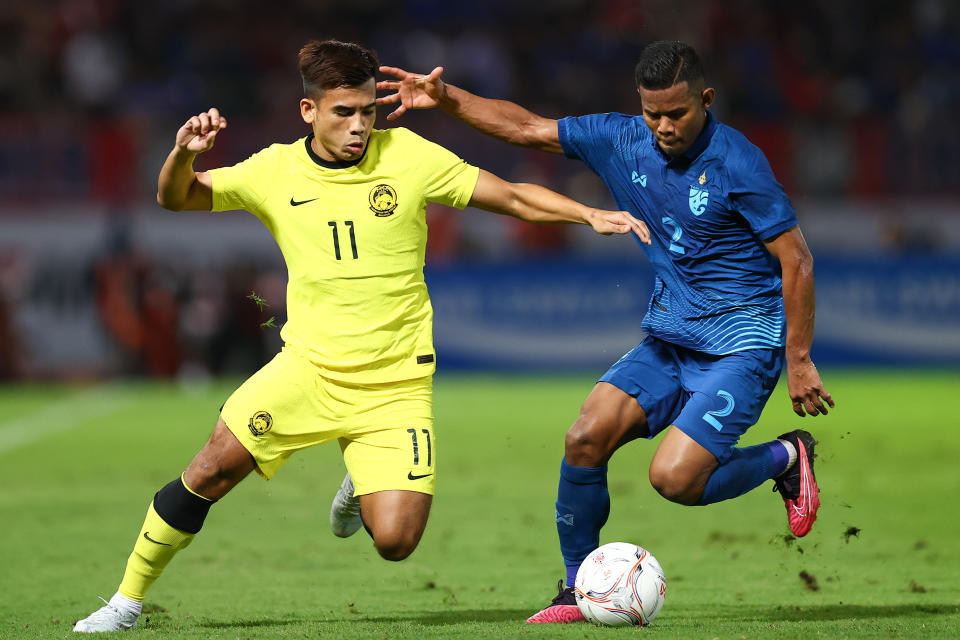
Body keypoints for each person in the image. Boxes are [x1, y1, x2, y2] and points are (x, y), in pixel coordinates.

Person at [72, 39, 649, 633]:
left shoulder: (407, 155)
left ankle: (361, 482)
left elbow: (508, 195)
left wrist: (588, 215)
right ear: (309, 112)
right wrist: (180, 155)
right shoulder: (274, 170)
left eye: (367, 111)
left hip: (395, 385)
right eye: (343, 112)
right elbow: (176, 198)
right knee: (211, 469)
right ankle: (125, 601)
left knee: (396, 541)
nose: (359, 125)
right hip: (308, 371)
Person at [377, 39, 835, 623]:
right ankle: (573, 589)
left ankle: (786, 457)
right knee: (584, 438)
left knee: (675, 480)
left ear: (706, 99)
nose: (664, 127)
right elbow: (525, 129)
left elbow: (796, 259)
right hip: (671, 339)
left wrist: (798, 359)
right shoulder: (618, 138)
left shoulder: (737, 162)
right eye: (652, 114)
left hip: (742, 345)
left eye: (677, 113)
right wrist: (446, 99)